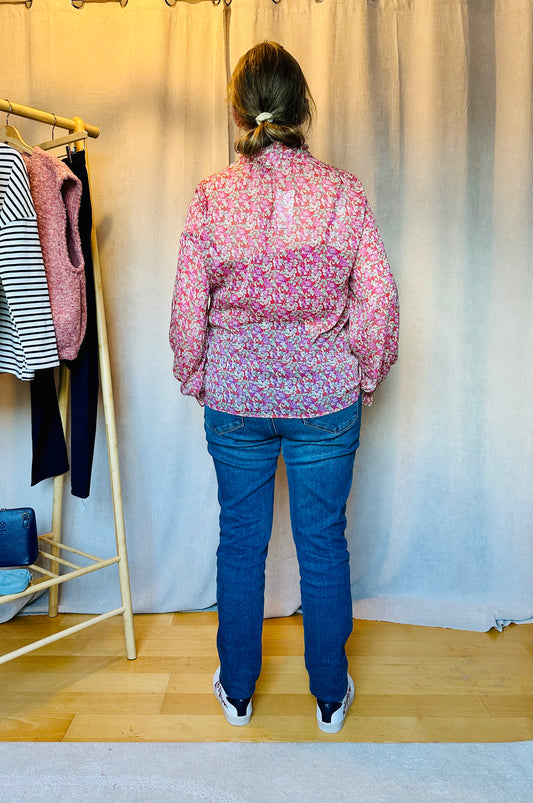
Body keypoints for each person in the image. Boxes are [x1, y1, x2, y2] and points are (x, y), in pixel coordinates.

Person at [169, 41, 399, 733]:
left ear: (239, 111)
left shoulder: (212, 197)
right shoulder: (343, 192)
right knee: (323, 542)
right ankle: (329, 696)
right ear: (303, 108)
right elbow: (379, 301)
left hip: (236, 399)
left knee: (240, 541)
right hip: (324, 399)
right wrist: (363, 373)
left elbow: (187, 309)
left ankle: (238, 691)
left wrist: (197, 374)